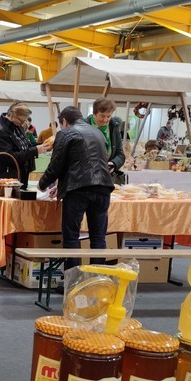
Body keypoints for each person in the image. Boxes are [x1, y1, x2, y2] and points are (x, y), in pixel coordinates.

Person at [37, 106, 114, 272]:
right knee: (98, 238)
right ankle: (97, 280)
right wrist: (60, 185)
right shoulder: (97, 132)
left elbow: (56, 165)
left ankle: (73, 282)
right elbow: (87, 160)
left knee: (71, 237)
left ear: (64, 121)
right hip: (103, 188)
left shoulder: (65, 133)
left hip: (78, 190)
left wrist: (41, 185)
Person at [0, 104, 48, 184]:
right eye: (21, 120)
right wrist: (35, 150)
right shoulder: (0, 131)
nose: (22, 123)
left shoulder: (15, 126)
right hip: (3, 180)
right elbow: (10, 157)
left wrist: (43, 145)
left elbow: (25, 146)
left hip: (17, 176)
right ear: (11, 115)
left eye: (24, 121)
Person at [86, 98, 126, 180]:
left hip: (106, 178)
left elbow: (120, 155)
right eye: (102, 116)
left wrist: (113, 163)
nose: (105, 120)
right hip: (86, 177)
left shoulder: (114, 128)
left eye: (108, 116)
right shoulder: (84, 127)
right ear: (94, 114)